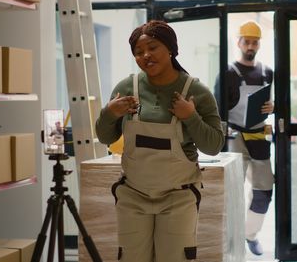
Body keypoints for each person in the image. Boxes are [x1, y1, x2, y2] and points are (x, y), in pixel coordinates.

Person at [96, 20, 224, 262]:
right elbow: (105, 137)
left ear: (171, 49)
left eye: (152, 47)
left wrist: (190, 117)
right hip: (133, 195)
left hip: (178, 198)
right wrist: (110, 113)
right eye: (138, 52)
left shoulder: (196, 91)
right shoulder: (127, 87)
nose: (145, 55)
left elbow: (214, 144)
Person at [214, 20, 275, 256]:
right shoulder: (228, 73)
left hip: (259, 136)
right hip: (234, 137)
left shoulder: (268, 72)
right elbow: (217, 108)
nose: (251, 45)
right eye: (247, 41)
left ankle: (250, 234)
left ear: (259, 44)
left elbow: (275, 104)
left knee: (264, 190)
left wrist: (273, 107)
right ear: (238, 42)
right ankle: (229, 239)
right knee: (232, 191)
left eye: (255, 41)